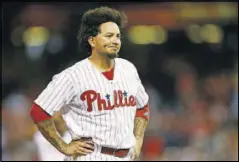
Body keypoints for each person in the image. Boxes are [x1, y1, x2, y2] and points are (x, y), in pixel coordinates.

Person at [30, 6, 150, 161]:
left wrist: (139, 138)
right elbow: (38, 112)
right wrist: (64, 147)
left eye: (117, 36)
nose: (115, 41)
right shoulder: (73, 76)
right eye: (108, 36)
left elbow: (142, 106)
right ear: (92, 40)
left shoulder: (128, 69)